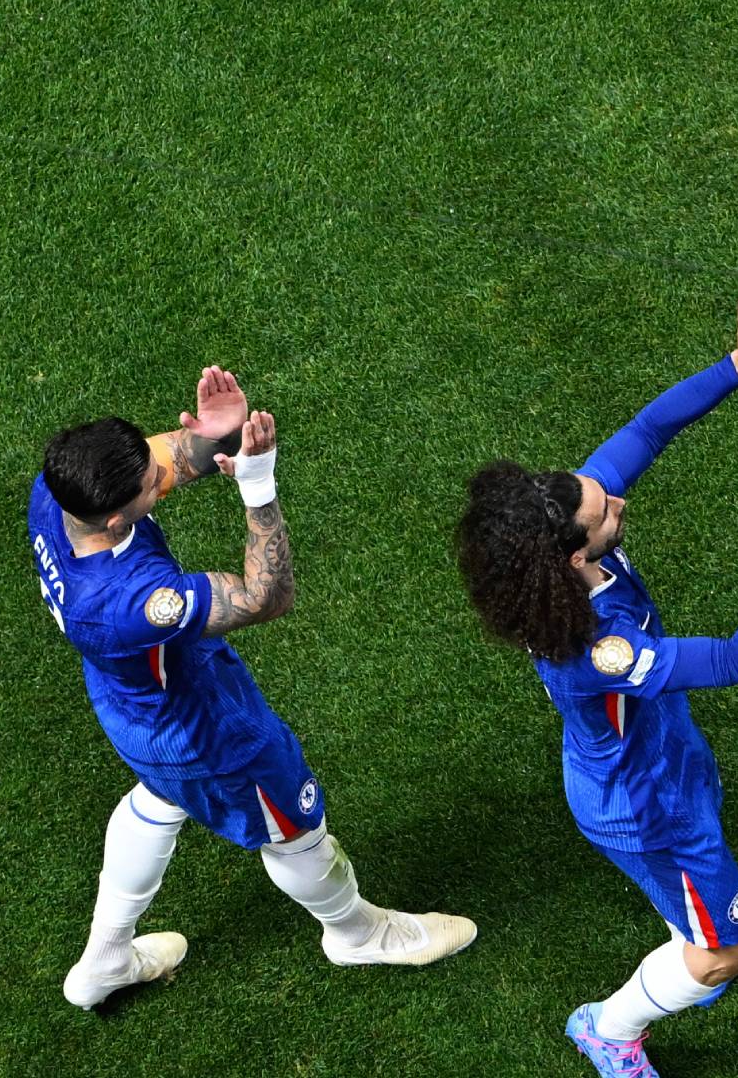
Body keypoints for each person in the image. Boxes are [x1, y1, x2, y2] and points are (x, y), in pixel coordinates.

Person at [455, 305, 738, 1076]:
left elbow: (646, 429)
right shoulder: (594, 651)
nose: (616, 501)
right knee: (719, 954)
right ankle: (612, 1026)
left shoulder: (563, 529)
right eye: (604, 515)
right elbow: (737, 661)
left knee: (720, 904)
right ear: (571, 558)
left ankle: (723, 921)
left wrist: (732, 371)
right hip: (643, 807)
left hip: (663, 757)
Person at [30, 367, 476, 1010]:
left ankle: (106, 960)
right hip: (201, 727)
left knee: (161, 797)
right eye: (152, 487)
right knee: (291, 822)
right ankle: (356, 933)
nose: (165, 474)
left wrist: (218, 436)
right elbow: (266, 597)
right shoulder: (131, 602)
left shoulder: (57, 492)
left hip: (131, 703)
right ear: (116, 518)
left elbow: (167, 458)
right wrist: (259, 487)